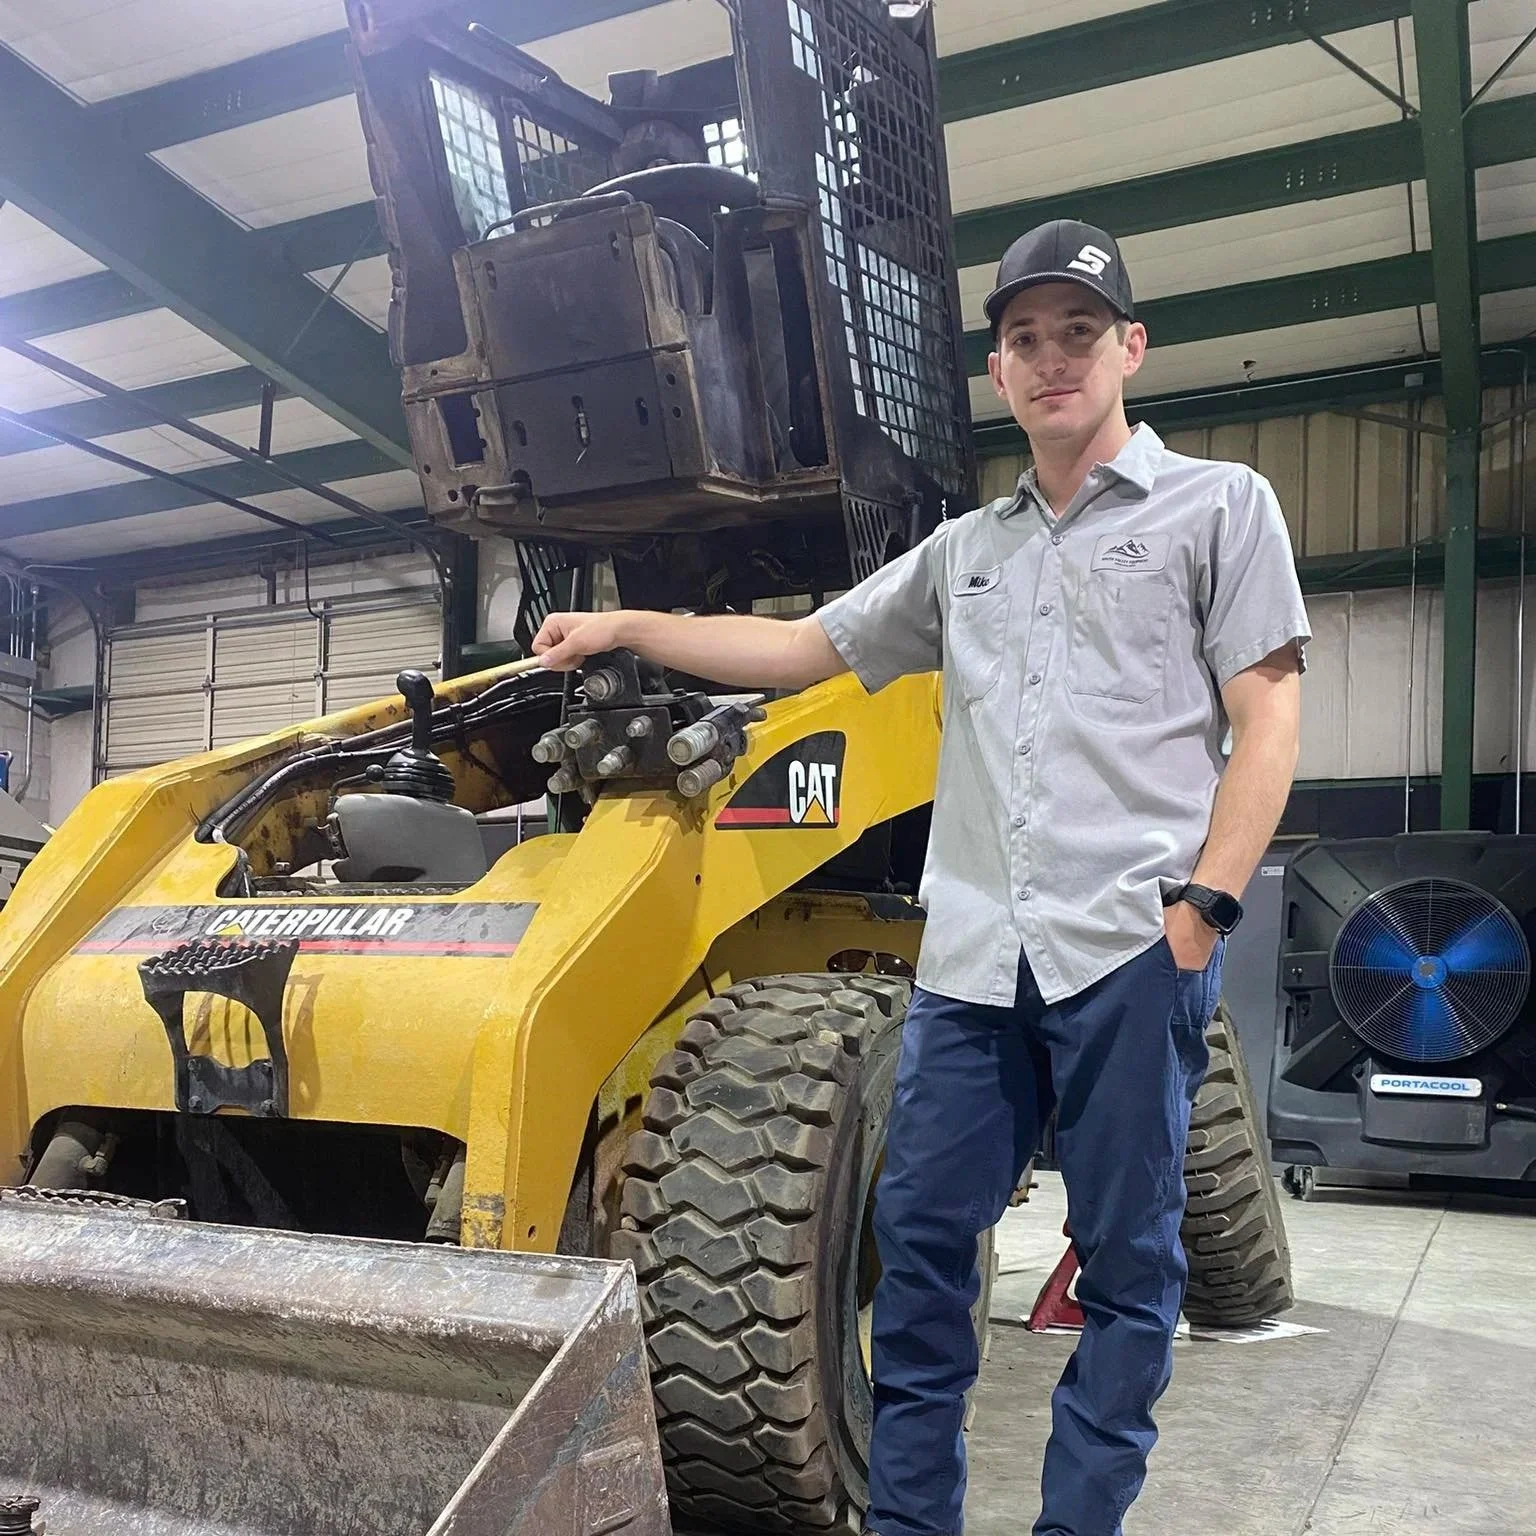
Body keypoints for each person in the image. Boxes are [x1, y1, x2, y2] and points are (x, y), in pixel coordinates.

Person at [530, 218, 1309, 1536]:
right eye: (1022, 340)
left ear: (1130, 348)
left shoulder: (1219, 509)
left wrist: (1203, 913)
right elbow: (797, 652)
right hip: (969, 965)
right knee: (927, 1252)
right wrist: (624, 625)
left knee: (1129, 1271)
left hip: (1128, 947)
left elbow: (1270, 714)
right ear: (998, 372)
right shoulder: (968, 553)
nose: (1050, 360)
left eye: (1077, 334)